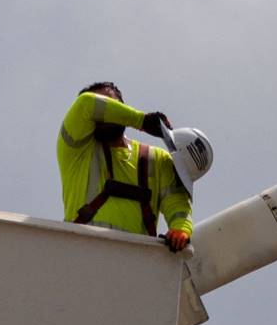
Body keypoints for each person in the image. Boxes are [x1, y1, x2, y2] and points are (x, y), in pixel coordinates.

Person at [57, 82, 193, 251]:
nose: (104, 115)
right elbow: (86, 104)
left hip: (134, 264)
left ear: (121, 110)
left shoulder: (156, 158)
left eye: (111, 106)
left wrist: (181, 228)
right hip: (81, 255)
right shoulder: (76, 149)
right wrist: (141, 120)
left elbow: (176, 201)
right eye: (102, 108)